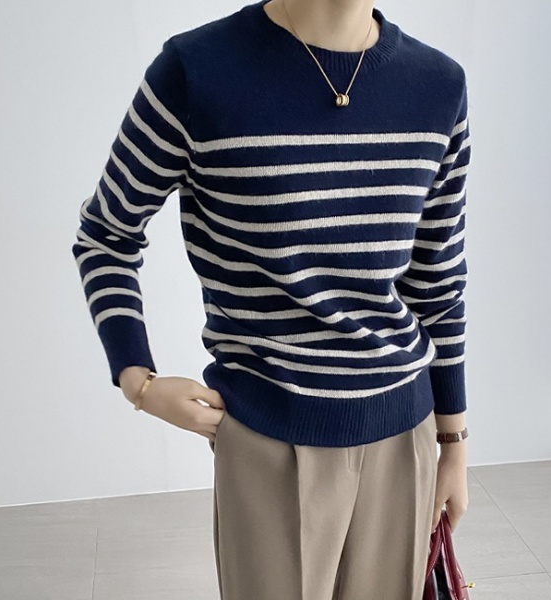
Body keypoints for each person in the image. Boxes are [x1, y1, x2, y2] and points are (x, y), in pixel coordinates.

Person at [72, 0, 471, 597]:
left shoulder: (439, 85)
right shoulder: (197, 69)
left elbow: (437, 280)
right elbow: (106, 235)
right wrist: (138, 380)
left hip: (404, 435)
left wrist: (453, 443)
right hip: (267, 438)